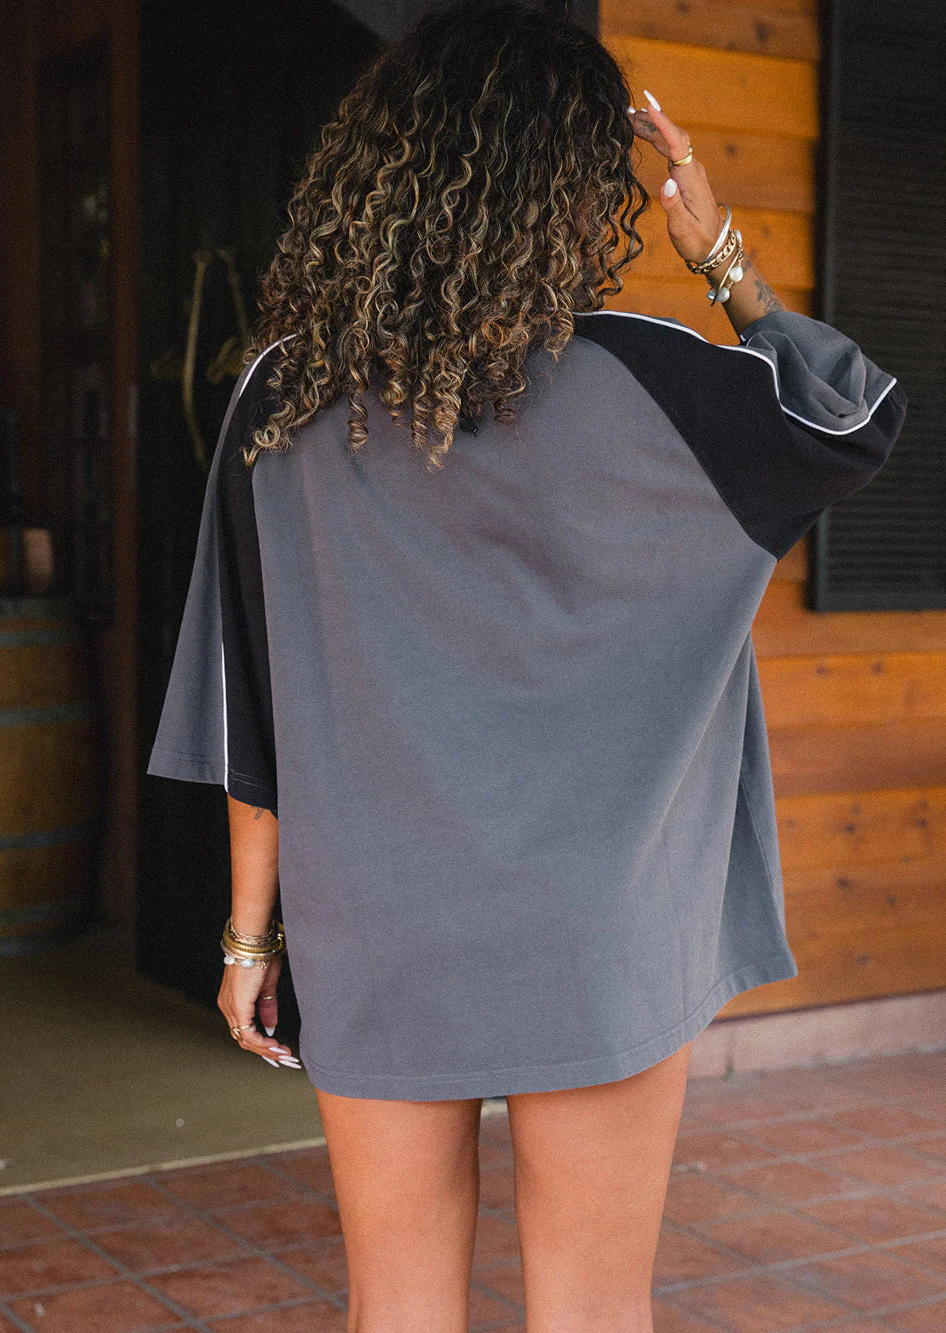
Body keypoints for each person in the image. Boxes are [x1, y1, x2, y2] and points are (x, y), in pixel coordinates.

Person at [146, 2, 907, 1328]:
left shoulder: (281, 399)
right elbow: (851, 419)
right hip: (598, 929)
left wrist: (248, 934)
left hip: (374, 923)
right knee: (594, 1310)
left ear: (378, 173)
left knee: (396, 1306)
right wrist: (723, 254)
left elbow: (247, 700)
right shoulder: (660, 383)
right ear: (571, 192)